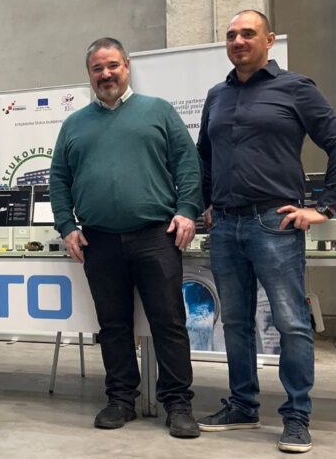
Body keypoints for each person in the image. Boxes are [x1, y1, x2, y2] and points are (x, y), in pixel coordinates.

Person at [196, 9, 336, 454]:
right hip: (225, 224)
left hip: (274, 223)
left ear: (269, 40)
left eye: (248, 33)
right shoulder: (216, 95)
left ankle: (297, 417)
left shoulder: (296, 88)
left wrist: (323, 207)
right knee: (234, 322)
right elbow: (204, 156)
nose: (238, 41)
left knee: (290, 323)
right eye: (231, 35)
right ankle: (243, 405)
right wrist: (206, 202)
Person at [50, 37, 203, 439]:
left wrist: (187, 209)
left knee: (169, 322)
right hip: (98, 241)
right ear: (89, 74)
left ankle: (178, 404)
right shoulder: (73, 125)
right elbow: (59, 180)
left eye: (112, 65)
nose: (106, 74)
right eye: (97, 68)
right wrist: (66, 225)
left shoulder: (159, 111)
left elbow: (188, 165)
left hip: (156, 236)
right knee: (113, 325)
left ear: (127, 66)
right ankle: (120, 399)